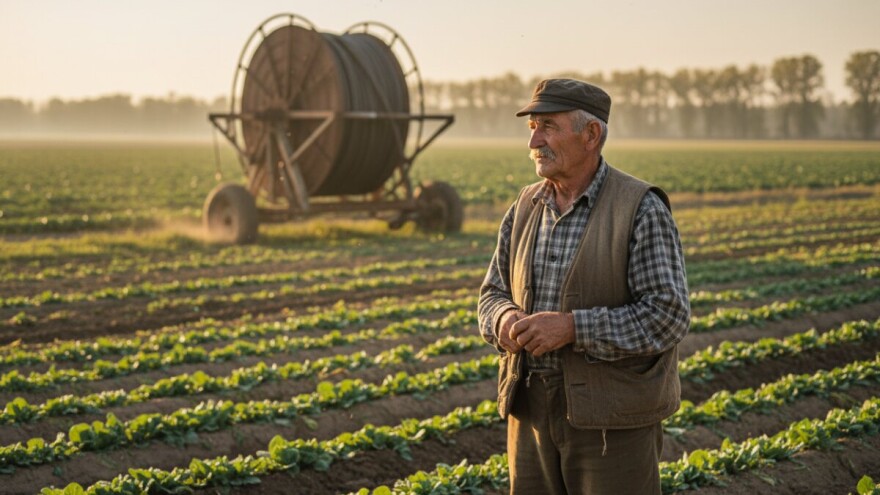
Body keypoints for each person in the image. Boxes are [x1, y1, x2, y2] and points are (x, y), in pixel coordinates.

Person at [477, 78, 690, 494]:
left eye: (549, 126)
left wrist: (573, 328)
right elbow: (491, 293)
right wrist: (502, 319)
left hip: (612, 419)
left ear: (591, 135)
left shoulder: (640, 208)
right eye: (532, 127)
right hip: (531, 410)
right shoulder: (524, 206)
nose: (534, 141)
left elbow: (667, 315)